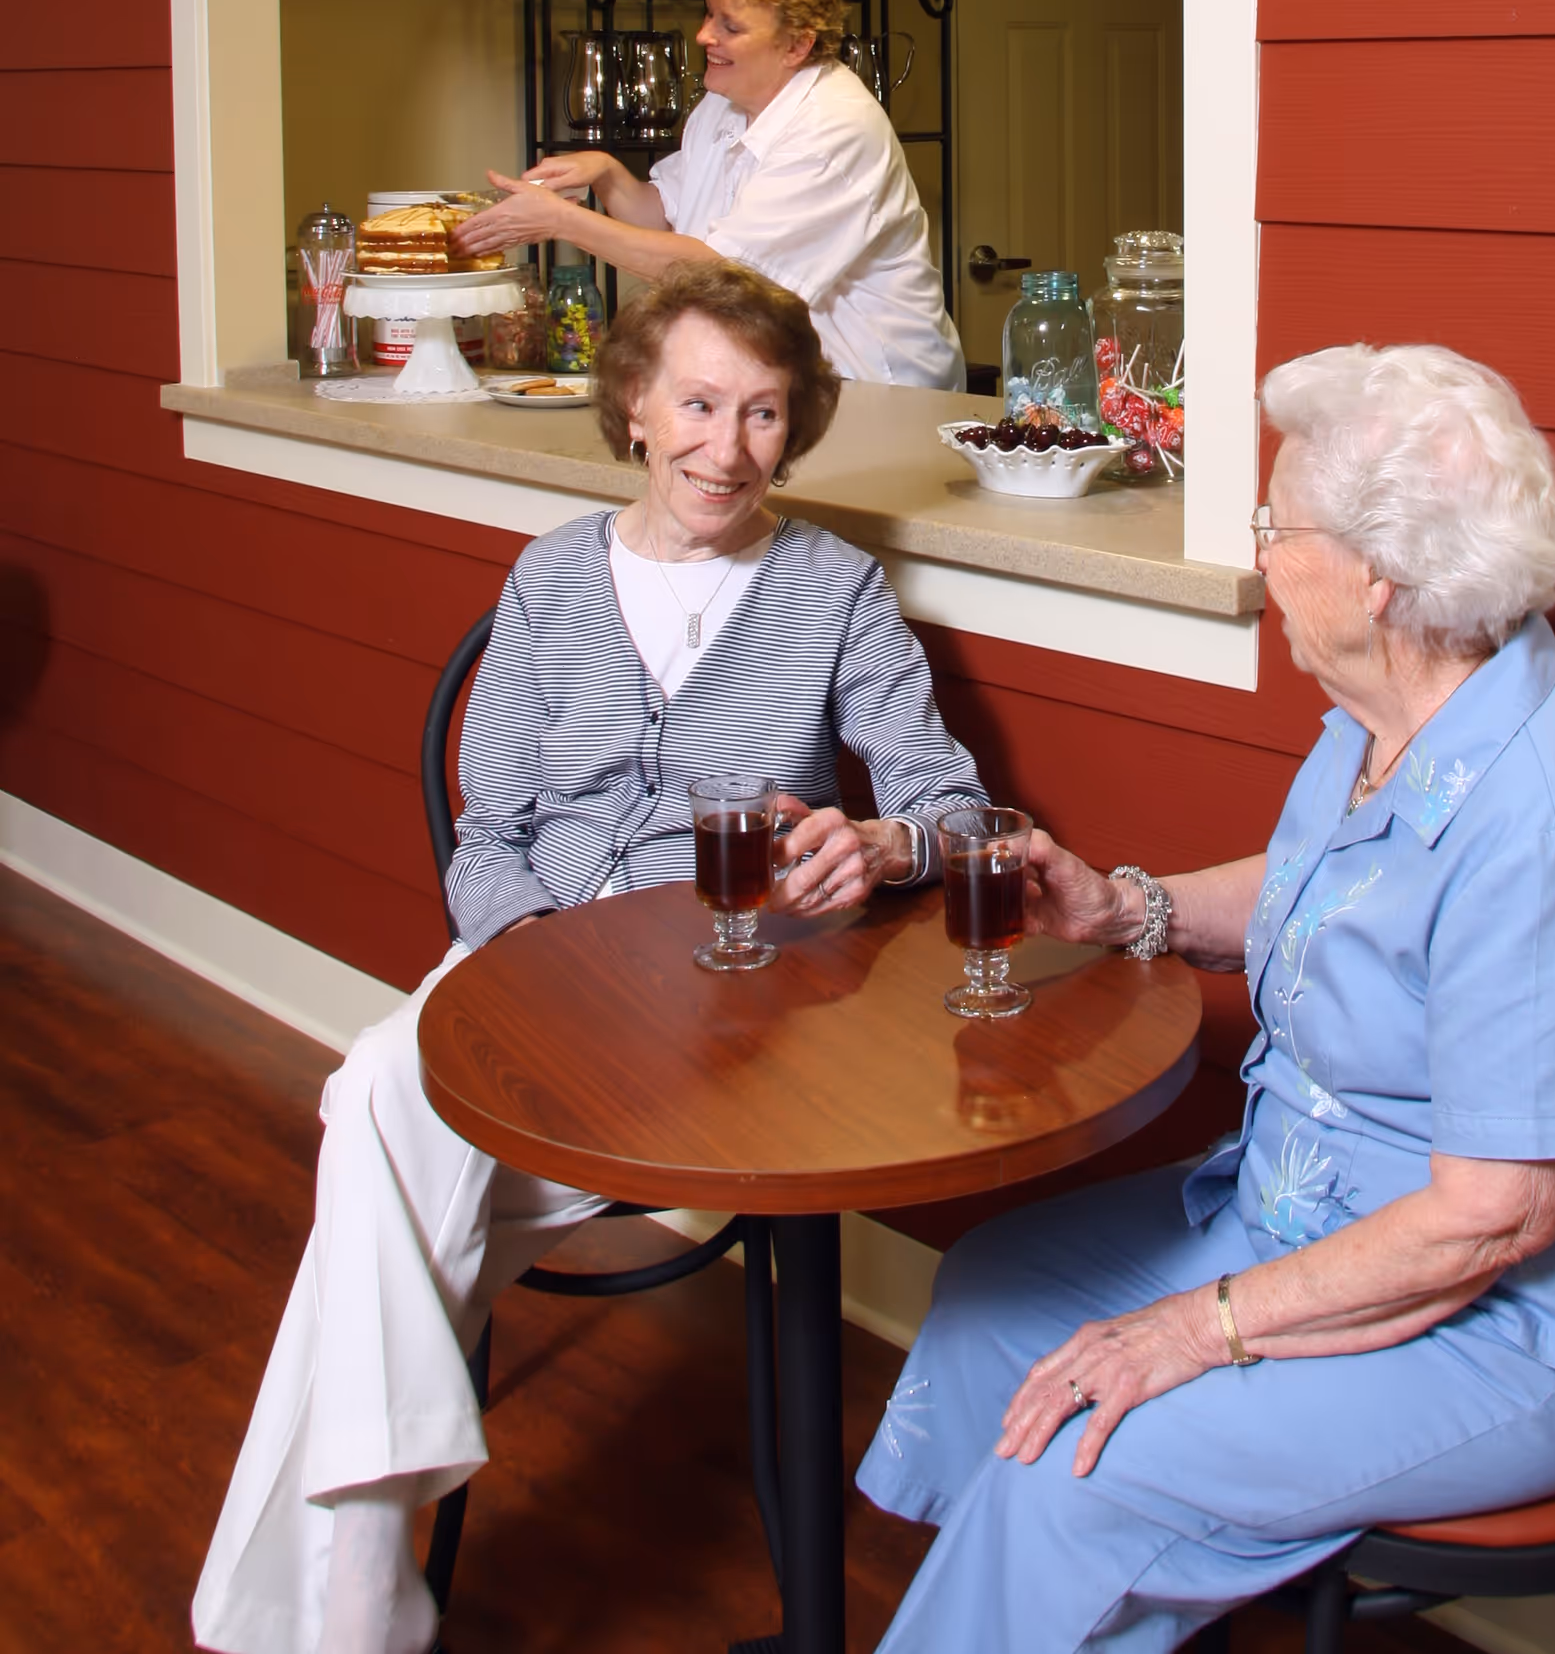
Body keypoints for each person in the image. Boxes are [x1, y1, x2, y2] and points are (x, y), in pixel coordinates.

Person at [856, 342, 1555, 1653]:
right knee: (990, 1300)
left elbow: (1494, 1223)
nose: (1262, 555)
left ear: (1375, 578)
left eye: (1276, 526)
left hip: (1528, 1330)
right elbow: (1335, 885)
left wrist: (1198, 1330)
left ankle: (1026, 1587)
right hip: (1311, 1210)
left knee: (1075, 1462)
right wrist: (1122, 908)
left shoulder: (1548, 826)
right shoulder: (1403, 697)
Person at [193, 261, 986, 1654]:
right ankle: (359, 1589)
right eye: (694, 404)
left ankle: (349, 1597)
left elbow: (952, 803)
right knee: (384, 1084)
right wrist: (539, 958)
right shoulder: (550, 576)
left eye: (760, 414)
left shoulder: (834, 588)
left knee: (374, 1131)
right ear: (632, 407)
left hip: (724, 994)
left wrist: (883, 847)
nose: (723, 449)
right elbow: (486, 837)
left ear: (792, 428)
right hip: (539, 957)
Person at [453, 0, 964, 388]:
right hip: (775, 379)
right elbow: (664, 213)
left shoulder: (834, 129)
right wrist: (605, 173)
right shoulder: (722, 104)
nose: (703, 36)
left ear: (797, 44)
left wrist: (563, 221)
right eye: (708, 13)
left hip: (877, 391)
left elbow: (724, 280)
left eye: (730, 27)